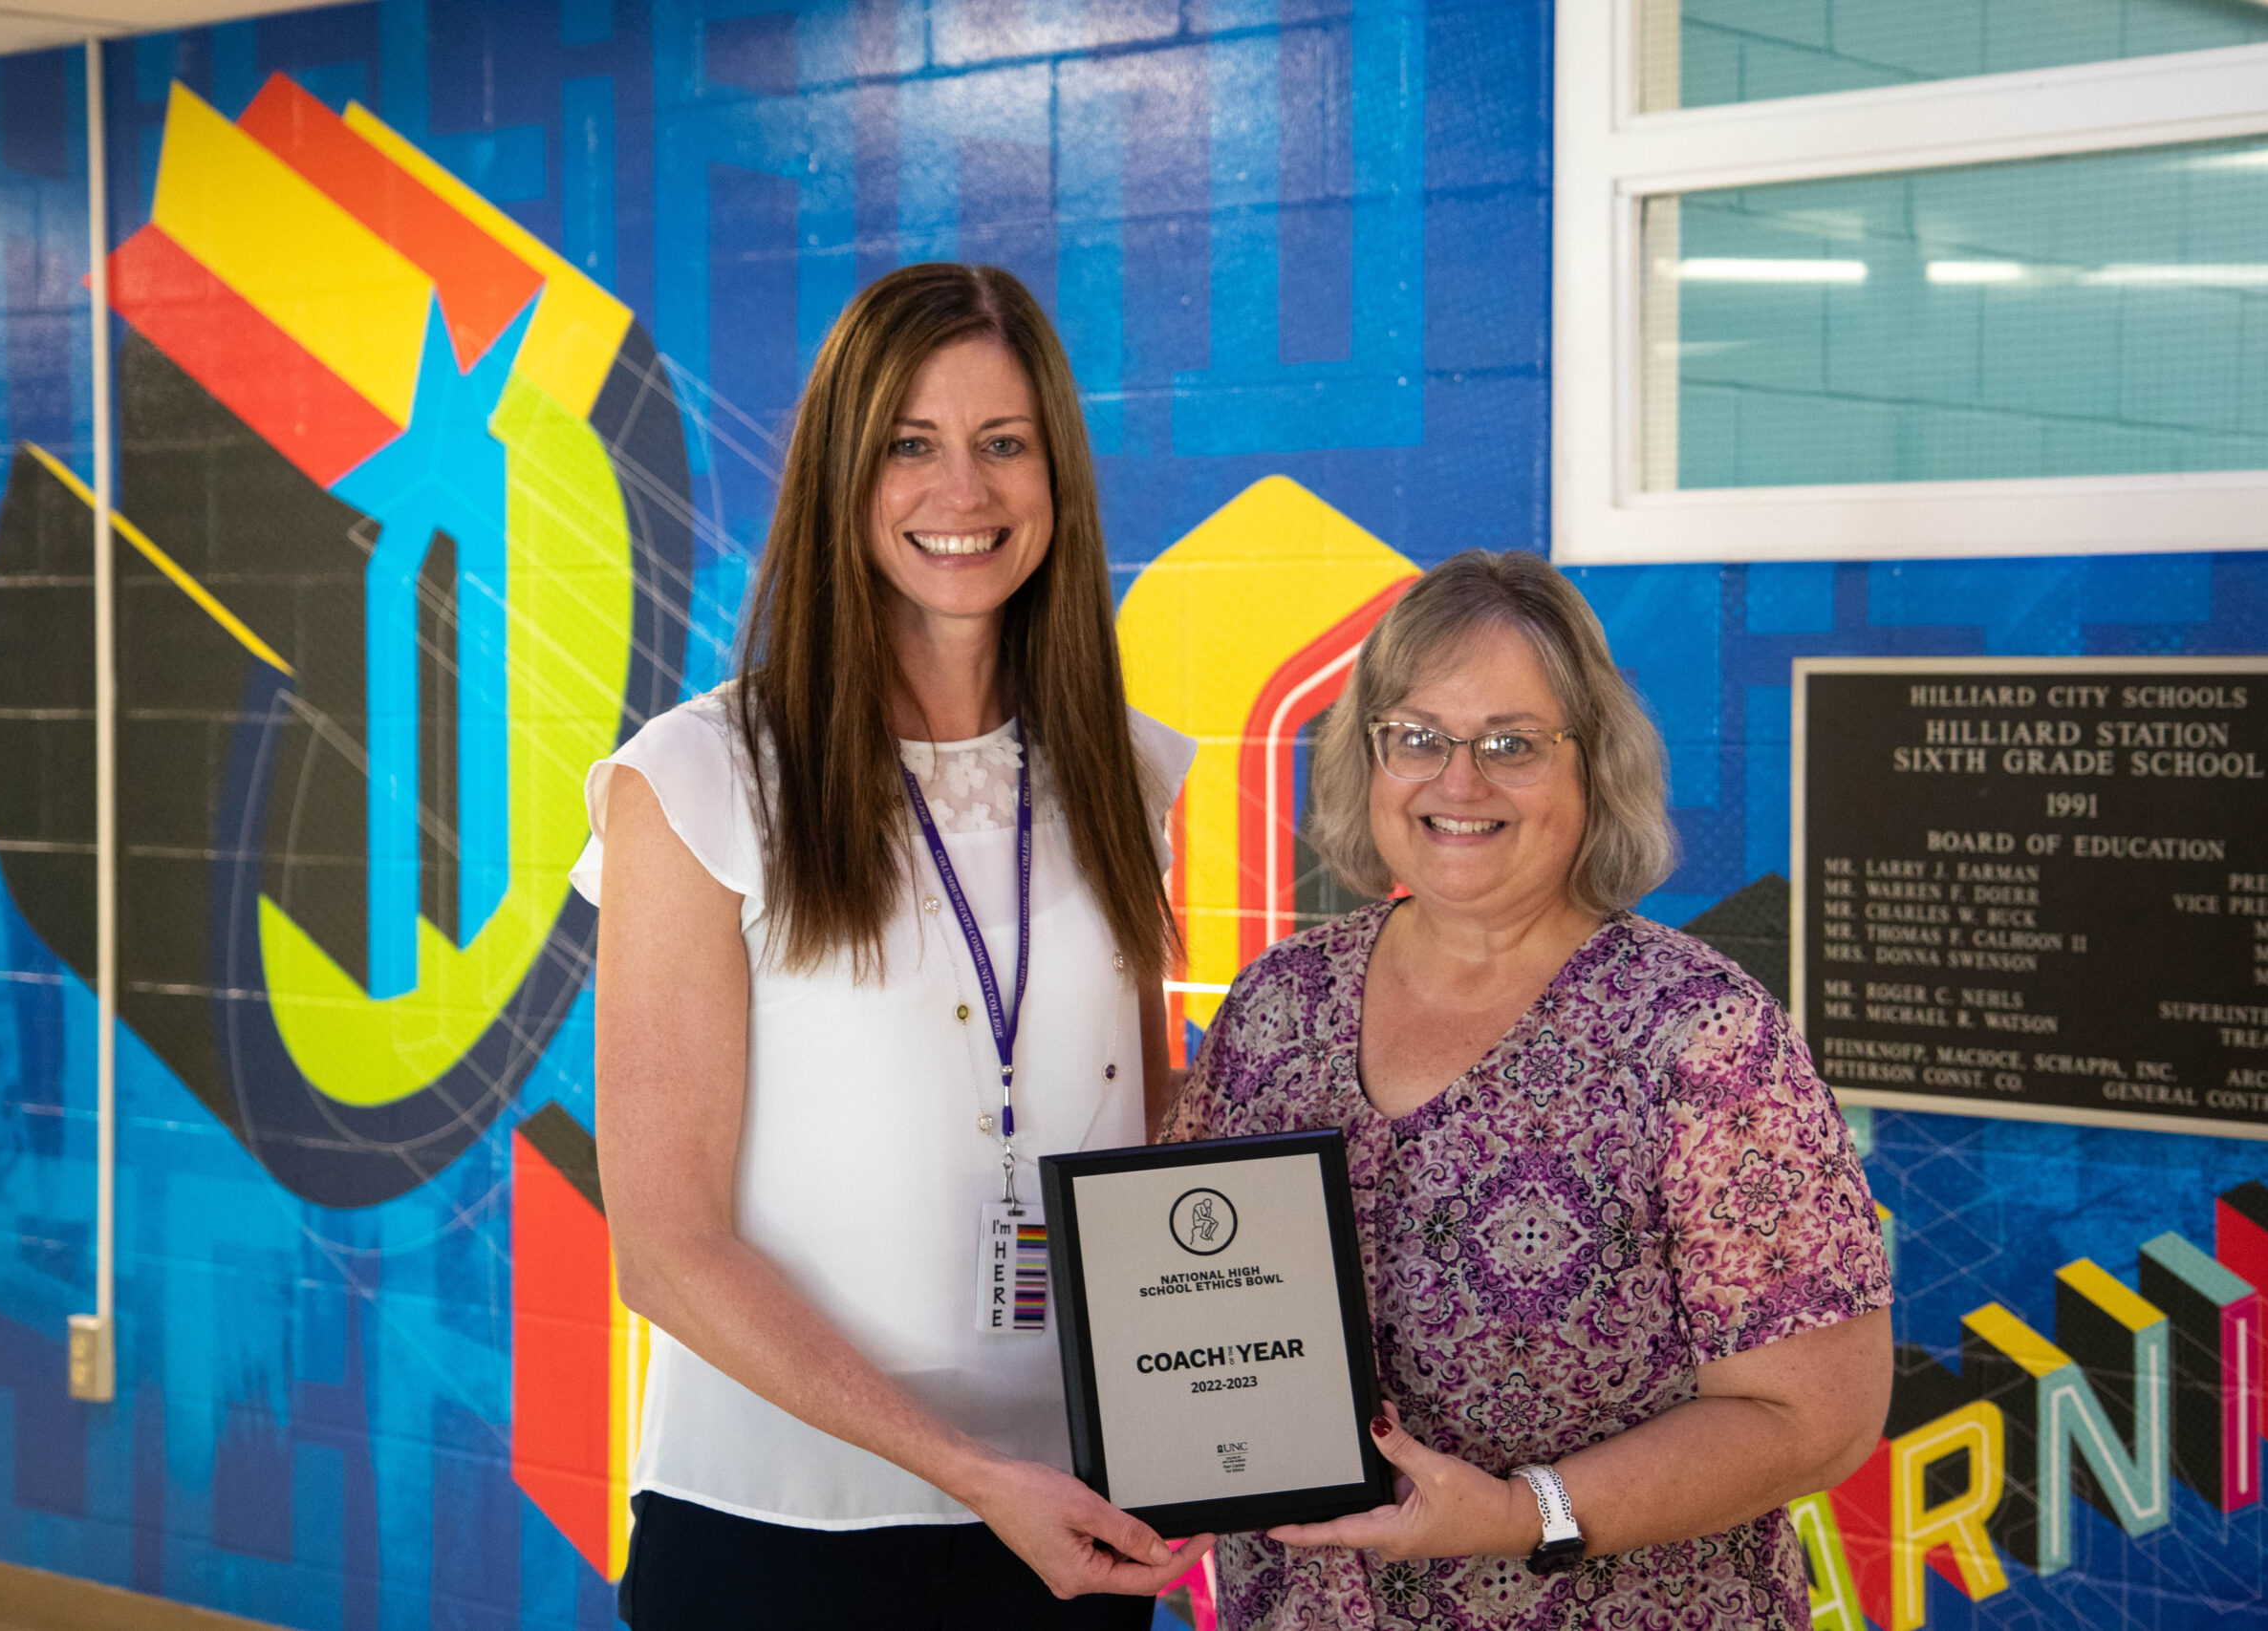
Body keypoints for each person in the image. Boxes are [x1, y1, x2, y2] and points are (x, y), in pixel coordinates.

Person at [573, 263, 1212, 1628]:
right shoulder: (695, 781)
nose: (962, 492)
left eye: (1004, 444)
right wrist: (970, 1471)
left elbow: (1138, 1126)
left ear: (1058, 475)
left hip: (1074, 1515)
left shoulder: (1130, 775)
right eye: (910, 446)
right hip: (782, 1526)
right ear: (839, 474)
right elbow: (666, 1246)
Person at [1161, 550, 1893, 1628]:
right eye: (1416, 737)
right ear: (1368, 758)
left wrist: (1522, 1512)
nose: (1458, 784)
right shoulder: (1278, 1006)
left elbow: (1817, 1417)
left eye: (1510, 745)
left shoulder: (1698, 1035)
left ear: (1592, 767)